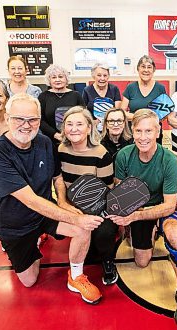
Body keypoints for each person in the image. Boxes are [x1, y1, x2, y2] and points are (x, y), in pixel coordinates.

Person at [0, 93, 104, 304]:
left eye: (32, 119)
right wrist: (74, 217)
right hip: (15, 223)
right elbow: (30, 200)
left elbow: (57, 177)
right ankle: (32, 243)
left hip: (43, 215)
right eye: (19, 119)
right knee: (30, 280)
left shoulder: (44, 142)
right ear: (7, 118)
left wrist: (63, 202)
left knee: (83, 228)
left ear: (40, 120)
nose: (26, 125)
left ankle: (75, 276)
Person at [109, 109, 177, 327]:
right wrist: (125, 218)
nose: (143, 136)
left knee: (175, 233)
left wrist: (136, 216)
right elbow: (121, 191)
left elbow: (169, 205)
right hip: (137, 210)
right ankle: (150, 234)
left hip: (160, 210)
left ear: (159, 132)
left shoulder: (168, 160)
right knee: (141, 262)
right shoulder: (123, 156)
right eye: (138, 130)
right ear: (132, 131)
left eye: (149, 130)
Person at [58, 106, 119, 285]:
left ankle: (108, 261)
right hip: (71, 206)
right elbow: (59, 181)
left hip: (98, 206)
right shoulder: (60, 150)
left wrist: (90, 214)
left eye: (79, 124)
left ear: (89, 128)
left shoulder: (101, 154)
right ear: (64, 128)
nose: (74, 129)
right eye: (69, 124)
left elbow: (106, 191)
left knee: (104, 233)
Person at [38, 64, 85, 144]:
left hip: (74, 139)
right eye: (54, 77)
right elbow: (40, 120)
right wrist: (55, 135)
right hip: (50, 140)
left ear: (66, 79)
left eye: (60, 76)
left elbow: (84, 117)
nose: (57, 80)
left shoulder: (76, 95)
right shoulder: (43, 96)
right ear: (49, 80)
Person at [120, 55, 166, 122]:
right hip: (134, 129)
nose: (146, 70)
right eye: (143, 67)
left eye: (149, 67)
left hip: (153, 130)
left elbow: (163, 115)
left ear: (154, 70)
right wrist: (142, 118)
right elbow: (122, 113)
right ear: (138, 69)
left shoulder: (160, 88)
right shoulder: (130, 87)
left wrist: (144, 120)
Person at [82, 63, 122, 130]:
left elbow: (117, 110)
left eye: (105, 75)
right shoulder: (87, 90)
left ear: (108, 76)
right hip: (93, 128)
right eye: (99, 75)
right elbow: (83, 111)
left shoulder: (114, 89)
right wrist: (92, 122)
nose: (102, 78)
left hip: (111, 127)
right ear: (93, 76)